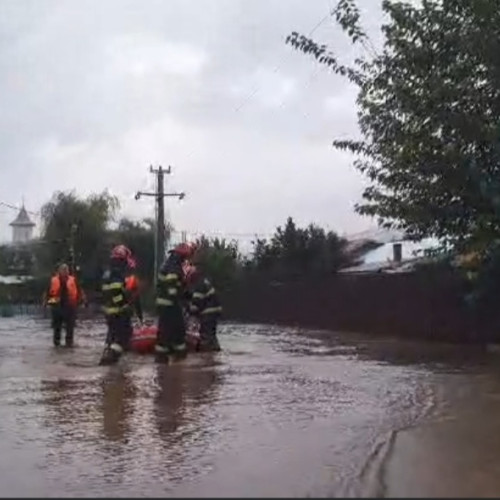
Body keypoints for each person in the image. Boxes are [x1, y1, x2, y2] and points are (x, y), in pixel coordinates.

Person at [154, 242, 196, 363]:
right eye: (185, 257)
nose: (185, 260)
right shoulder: (174, 267)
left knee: (167, 333)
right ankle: (178, 360)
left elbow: (176, 287)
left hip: (166, 305)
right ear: (181, 256)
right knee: (176, 331)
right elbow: (173, 289)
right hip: (170, 305)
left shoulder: (169, 264)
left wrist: (185, 292)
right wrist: (185, 294)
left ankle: (165, 364)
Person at [99, 245, 138, 365]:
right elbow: (116, 290)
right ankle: (109, 360)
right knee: (123, 338)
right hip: (118, 311)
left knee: (112, 336)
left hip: (109, 311)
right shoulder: (117, 272)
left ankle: (109, 367)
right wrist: (124, 304)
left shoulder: (108, 272)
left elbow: (106, 292)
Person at [44, 263, 85, 348]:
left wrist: (82, 302)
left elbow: (79, 292)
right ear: (59, 271)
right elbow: (47, 293)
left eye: (66, 269)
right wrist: (46, 303)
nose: (65, 271)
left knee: (70, 328)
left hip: (70, 307)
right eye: (63, 269)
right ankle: (57, 344)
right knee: (57, 328)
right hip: (56, 307)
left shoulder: (73, 280)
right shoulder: (53, 280)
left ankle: (69, 345)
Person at [185, 264, 222, 351]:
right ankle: (215, 351)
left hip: (208, 312)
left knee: (206, 335)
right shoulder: (202, 281)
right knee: (211, 335)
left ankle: (207, 353)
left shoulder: (198, 285)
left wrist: (187, 308)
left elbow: (196, 306)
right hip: (214, 311)